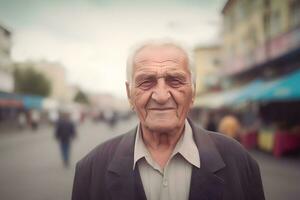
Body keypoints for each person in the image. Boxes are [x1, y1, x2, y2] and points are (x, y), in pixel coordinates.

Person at [72, 39, 265, 200]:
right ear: (129, 94)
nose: (162, 95)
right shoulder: (91, 170)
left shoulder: (238, 161)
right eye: (147, 81)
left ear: (194, 91)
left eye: (175, 80)